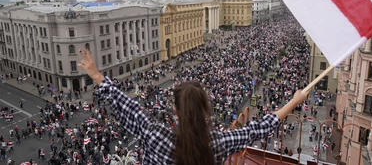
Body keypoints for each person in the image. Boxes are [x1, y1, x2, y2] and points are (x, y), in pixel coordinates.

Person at [78, 48, 308, 165]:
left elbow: (130, 107)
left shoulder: (155, 135)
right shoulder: (218, 142)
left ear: (176, 110)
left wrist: (98, 76)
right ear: (205, 109)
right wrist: (294, 102)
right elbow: (258, 128)